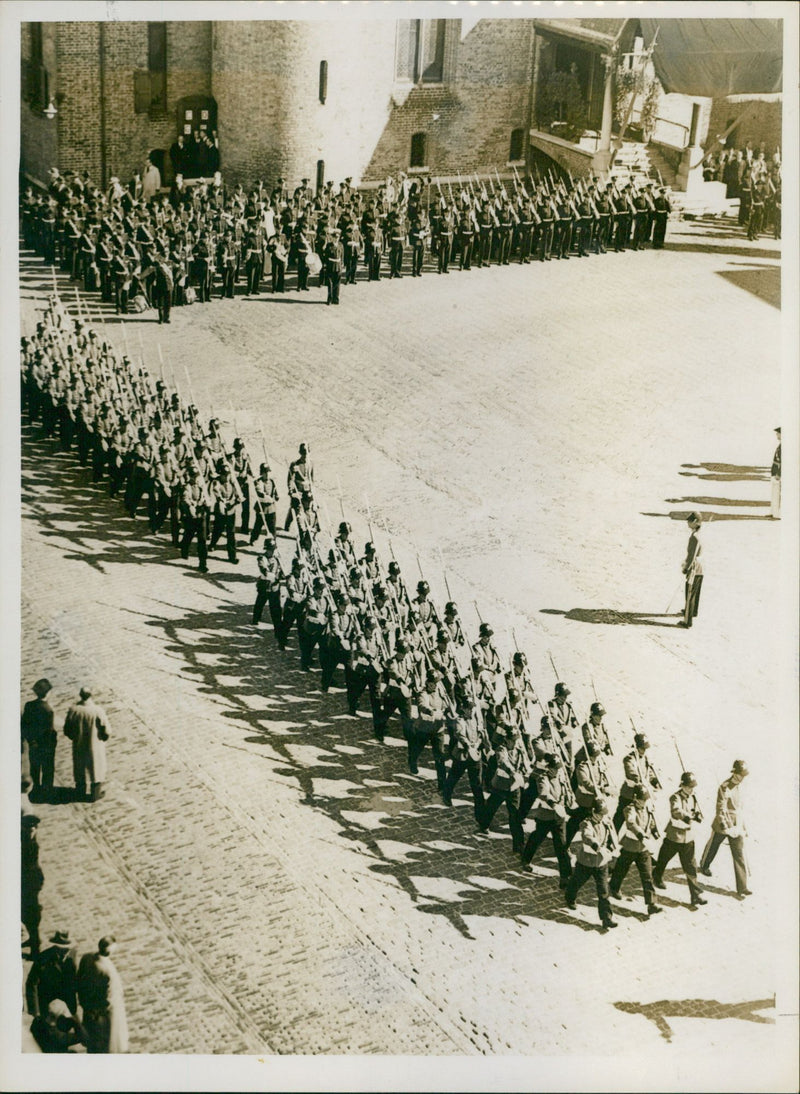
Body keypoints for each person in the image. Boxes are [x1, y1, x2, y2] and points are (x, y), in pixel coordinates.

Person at [653, 771, 707, 907]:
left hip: (688, 838)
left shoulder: (693, 797)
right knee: (663, 859)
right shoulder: (675, 797)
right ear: (682, 785)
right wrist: (689, 816)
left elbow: (695, 810)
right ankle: (657, 875)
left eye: (693, 787)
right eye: (689, 787)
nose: (691, 789)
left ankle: (696, 895)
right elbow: (676, 811)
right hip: (674, 836)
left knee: (690, 867)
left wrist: (698, 815)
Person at [700, 759, 752, 898]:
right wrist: (725, 826)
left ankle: (742, 887)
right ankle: (704, 865)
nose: (743, 778)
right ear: (734, 773)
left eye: (744, 775)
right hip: (724, 823)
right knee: (713, 845)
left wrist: (743, 826)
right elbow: (720, 808)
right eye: (741, 775)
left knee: (739, 854)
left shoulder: (742, 786)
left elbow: (740, 808)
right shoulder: (724, 787)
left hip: (737, 824)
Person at [565, 798, 619, 930]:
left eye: (603, 813)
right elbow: (587, 836)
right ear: (593, 812)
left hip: (601, 863)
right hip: (586, 863)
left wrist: (611, 849)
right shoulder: (586, 823)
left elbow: (611, 837)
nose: (602, 816)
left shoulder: (605, 822)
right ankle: (569, 896)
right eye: (600, 813)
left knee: (603, 891)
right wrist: (598, 847)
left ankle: (606, 918)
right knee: (577, 882)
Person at [610, 785, 662, 916]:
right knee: (621, 869)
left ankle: (651, 904)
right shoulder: (629, 809)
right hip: (630, 846)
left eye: (645, 800)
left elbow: (651, 821)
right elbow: (631, 823)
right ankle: (614, 886)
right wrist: (641, 835)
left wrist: (654, 831)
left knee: (647, 876)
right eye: (641, 800)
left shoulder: (647, 809)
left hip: (643, 849)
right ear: (635, 798)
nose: (644, 802)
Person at [77, 936, 129, 1053]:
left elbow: (79, 981)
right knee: (104, 1043)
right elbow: (107, 998)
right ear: (110, 951)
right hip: (101, 1015)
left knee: (92, 1041)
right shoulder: (106, 970)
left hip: (87, 1009)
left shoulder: (86, 958)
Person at [63, 686, 111, 801]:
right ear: (91, 695)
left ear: (80, 695)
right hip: (95, 745)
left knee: (80, 767)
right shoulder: (97, 711)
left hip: (79, 743)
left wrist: (74, 737)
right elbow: (107, 730)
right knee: (96, 768)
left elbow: (67, 729)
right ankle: (95, 794)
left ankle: (80, 792)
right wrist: (103, 738)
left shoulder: (74, 710)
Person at [26, 929, 80, 1018]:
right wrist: (36, 1012)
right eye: (62, 948)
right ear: (56, 946)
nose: (66, 951)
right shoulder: (42, 959)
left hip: (68, 1003)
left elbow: (76, 977)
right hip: (49, 1004)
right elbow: (32, 983)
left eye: (68, 948)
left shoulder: (73, 953)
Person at [613, 733, 661, 830]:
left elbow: (649, 772)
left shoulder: (645, 759)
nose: (644, 751)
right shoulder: (629, 759)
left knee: (642, 817)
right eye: (642, 748)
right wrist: (639, 780)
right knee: (620, 817)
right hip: (629, 794)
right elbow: (631, 772)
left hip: (641, 794)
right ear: (636, 747)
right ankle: (611, 839)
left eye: (645, 749)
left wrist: (654, 781)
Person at [21, 678, 57, 795]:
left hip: (33, 743)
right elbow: (49, 730)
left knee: (35, 766)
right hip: (46, 745)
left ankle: (35, 788)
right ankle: (47, 790)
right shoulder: (48, 710)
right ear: (47, 693)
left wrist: (31, 740)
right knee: (47, 768)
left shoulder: (29, 705)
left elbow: (24, 725)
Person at [21, 813, 44, 958]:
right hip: (28, 882)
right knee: (27, 915)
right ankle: (33, 940)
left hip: (30, 883)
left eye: (33, 828)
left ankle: (35, 948)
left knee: (30, 916)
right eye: (28, 828)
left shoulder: (31, 845)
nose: (31, 831)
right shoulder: (26, 840)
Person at [680, 512, 703, 629]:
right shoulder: (699, 534)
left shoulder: (694, 537)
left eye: (689, 521)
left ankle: (687, 621)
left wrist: (686, 568)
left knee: (689, 593)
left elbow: (692, 555)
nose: (687, 523)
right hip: (700, 568)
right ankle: (692, 612)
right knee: (695, 592)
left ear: (694, 522)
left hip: (694, 568)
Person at [770, 427, 781, 519]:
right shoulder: (781, 445)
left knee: (778, 494)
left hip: (778, 473)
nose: (777, 435)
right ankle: (774, 512)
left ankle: (777, 513)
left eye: (778, 433)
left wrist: (779, 473)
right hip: (775, 472)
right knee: (774, 493)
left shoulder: (783, 446)